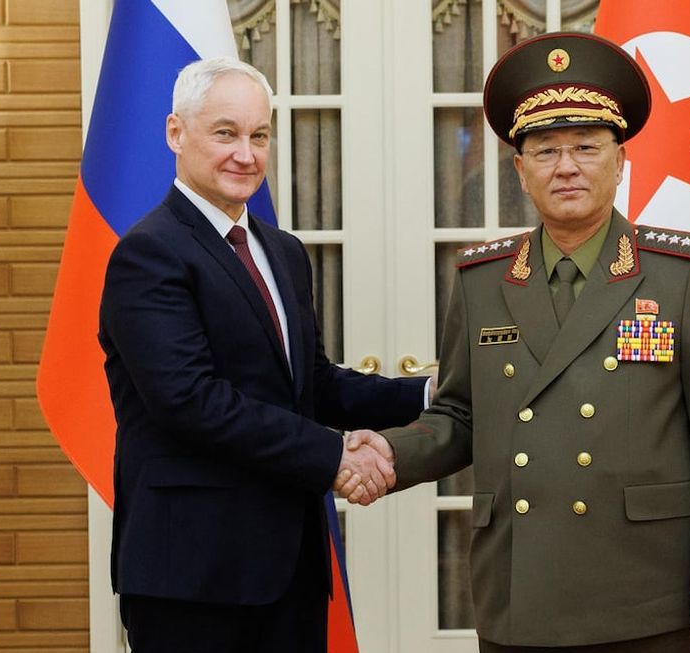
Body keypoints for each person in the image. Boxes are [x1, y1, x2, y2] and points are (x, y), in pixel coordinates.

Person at [343, 32, 690, 652]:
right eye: (544, 151)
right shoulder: (483, 279)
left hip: (645, 586)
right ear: (520, 170)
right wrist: (387, 455)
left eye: (587, 148)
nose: (566, 167)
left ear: (620, 161)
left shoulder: (684, 271)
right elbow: (460, 414)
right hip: (521, 586)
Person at [98, 57, 430, 653]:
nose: (245, 155)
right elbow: (190, 402)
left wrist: (430, 395)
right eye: (225, 133)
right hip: (192, 576)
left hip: (289, 568)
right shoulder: (148, 254)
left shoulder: (282, 251)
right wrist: (335, 454)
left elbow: (311, 384)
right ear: (177, 133)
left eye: (259, 135)